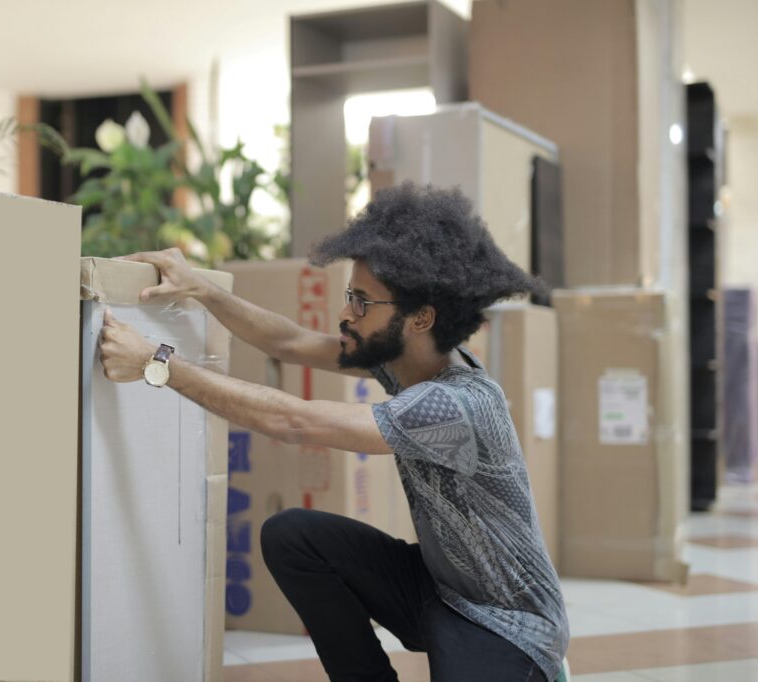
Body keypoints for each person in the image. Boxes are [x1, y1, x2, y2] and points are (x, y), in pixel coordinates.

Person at [98, 182, 569, 682]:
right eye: (350, 296)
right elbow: (291, 341)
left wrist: (158, 363)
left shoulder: (455, 404)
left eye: (363, 302)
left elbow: (296, 421)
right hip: (442, 590)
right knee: (294, 537)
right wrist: (202, 287)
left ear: (420, 318)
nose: (346, 314)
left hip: (510, 626)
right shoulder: (404, 359)